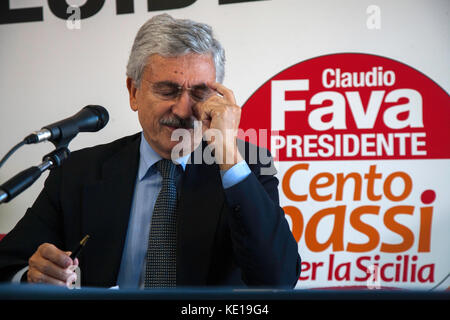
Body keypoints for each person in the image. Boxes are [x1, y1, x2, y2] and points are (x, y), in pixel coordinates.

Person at [0, 14, 300, 289]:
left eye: (199, 93)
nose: (184, 110)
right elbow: (7, 265)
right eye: (167, 91)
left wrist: (228, 155)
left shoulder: (245, 168)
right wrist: (31, 276)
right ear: (133, 92)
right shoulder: (78, 171)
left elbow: (278, 279)